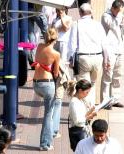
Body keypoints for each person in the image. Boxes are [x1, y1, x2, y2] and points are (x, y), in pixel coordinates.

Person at [68, 3, 109, 106]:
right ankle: (91, 107)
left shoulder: (76, 24)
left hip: (83, 58)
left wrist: (70, 59)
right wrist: (106, 60)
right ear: (91, 12)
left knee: (83, 86)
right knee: (93, 84)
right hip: (97, 58)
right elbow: (104, 43)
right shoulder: (98, 24)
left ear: (80, 12)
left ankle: (87, 109)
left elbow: (72, 45)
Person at [32, 27, 60, 151]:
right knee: (48, 115)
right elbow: (56, 73)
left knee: (48, 113)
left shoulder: (39, 47)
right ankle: (45, 144)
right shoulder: (55, 54)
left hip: (36, 84)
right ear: (56, 38)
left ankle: (47, 141)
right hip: (47, 84)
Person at [51, 7, 72, 138]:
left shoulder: (68, 18)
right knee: (55, 59)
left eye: (61, 10)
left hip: (63, 41)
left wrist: (63, 18)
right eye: (58, 10)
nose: (59, 12)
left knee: (62, 61)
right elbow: (53, 30)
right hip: (56, 41)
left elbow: (65, 28)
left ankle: (62, 73)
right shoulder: (55, 19)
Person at [101, 0, 124, 109]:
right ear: (114, 8)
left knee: (117, 76)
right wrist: (120, 18)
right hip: (109, 49)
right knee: (108, 75)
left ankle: (115, 99)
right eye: (119, 11)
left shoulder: (119, 15)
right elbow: (112, 25)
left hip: (119, 49)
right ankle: (105, 100)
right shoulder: (106, 16)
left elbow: (123, 31)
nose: (120, 13)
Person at [68, 79, 97, 151]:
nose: (87, 94)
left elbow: (82, 115)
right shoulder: (74, 102)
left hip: (82, 131)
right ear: (80, 90)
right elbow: (78, 121)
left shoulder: (80, 100)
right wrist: (89, 116)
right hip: (78, 133)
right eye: (87, 92)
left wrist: (90, 111)